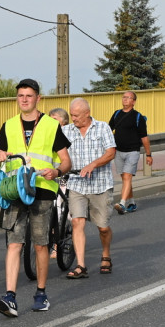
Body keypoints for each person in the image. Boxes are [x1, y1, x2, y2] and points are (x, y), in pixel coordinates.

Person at [0, 79, 72, 316]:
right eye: (20, 96)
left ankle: (41, 293)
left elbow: (66, 161)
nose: (24, 99)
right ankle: (10, 297)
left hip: (42, 189)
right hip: (15, 190)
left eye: (28, 95)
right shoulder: (8, 126)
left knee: (40, 244)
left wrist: (56, 171)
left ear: (38, 98)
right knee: (14, 243)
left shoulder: (50, 125)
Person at [62, 98, 116, 277]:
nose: (73, 118)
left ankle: (106, 254)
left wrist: (93, 164)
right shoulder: (66, 131)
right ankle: (81, 266)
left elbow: (111, 153)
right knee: (77, 222)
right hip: (76, 184)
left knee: (103, 227)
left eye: (76, 115)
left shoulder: (102, 128)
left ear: (87, 113)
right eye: (71, 115)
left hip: (100, 184)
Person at [109, 91, 152, 214]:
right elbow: (108, 130)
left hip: (132, 151)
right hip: (118, 151)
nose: (125, 99)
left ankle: (122, 203)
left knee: (127, 177)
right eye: (124, 97)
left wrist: (148, 155)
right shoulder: (116, 114)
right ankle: (132, 202)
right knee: (125, 179)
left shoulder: (138, 117)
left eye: (128, 98)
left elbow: (144, 137)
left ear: (133, 102)